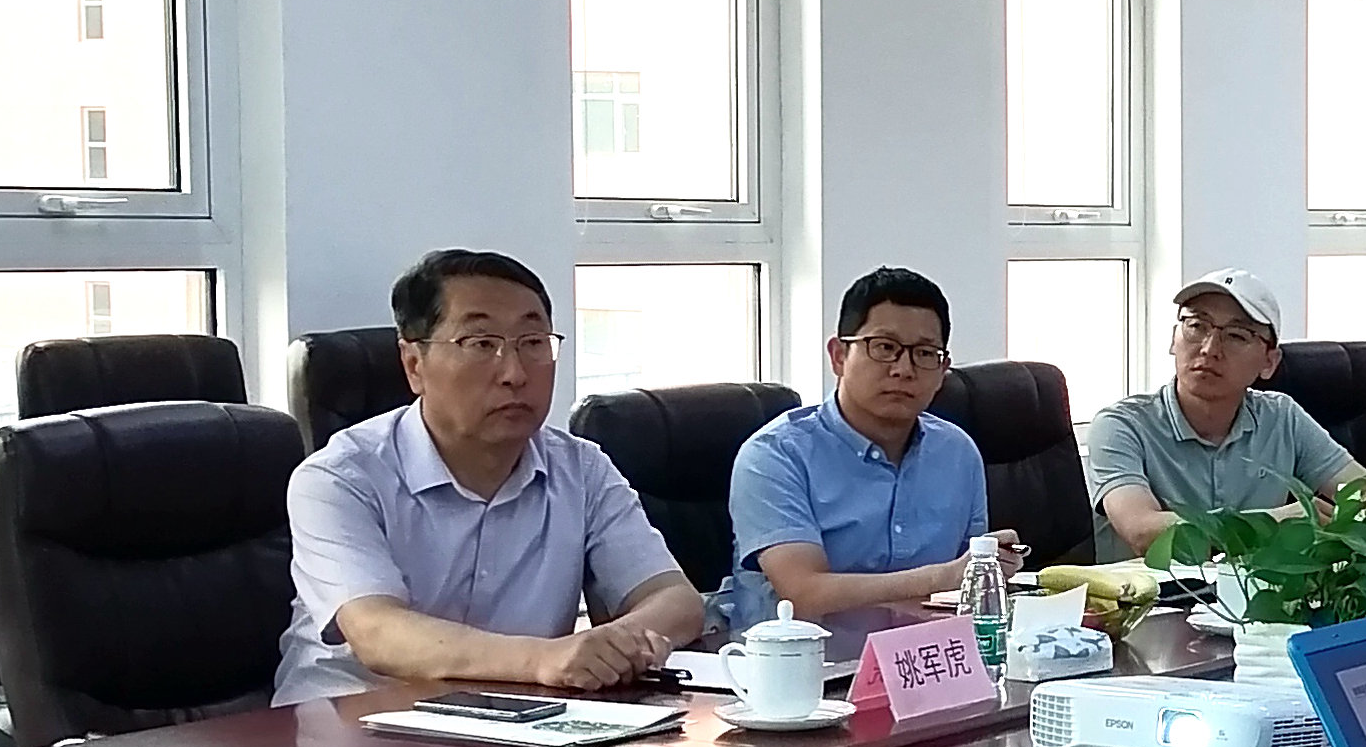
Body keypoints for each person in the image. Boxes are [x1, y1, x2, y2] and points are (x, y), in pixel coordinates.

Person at [275, 250, 702, 704]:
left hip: (522, 720)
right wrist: (543, 660)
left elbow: (675, 599)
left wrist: (614, 645)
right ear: (414, 364)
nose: (514, 373)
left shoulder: (581, 469)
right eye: (480, 344)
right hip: (353, 719)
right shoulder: (338, 479)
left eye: (533, 342)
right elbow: (377, 632)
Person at [724, 267, 989, 625]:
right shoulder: (775, 456)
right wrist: (942, 577)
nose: (904, 369)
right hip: (807, 658)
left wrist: (991, 563)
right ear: (838, 356)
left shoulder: (958, 452)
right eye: (885, 348)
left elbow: (969, 592)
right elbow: (803, 594)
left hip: (927, 657)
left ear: (943, 371)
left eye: (926, 353)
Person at [1086, 269, 1366, 560]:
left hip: (1253, 587)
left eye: (1236, 335)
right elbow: (1141, 532)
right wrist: (1272, 523)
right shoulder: (1121, 425)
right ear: (1173, 339)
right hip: (1150, 589)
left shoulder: (1282, 417)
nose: (1209, 349)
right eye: (1196, 326)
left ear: (1269, 363)